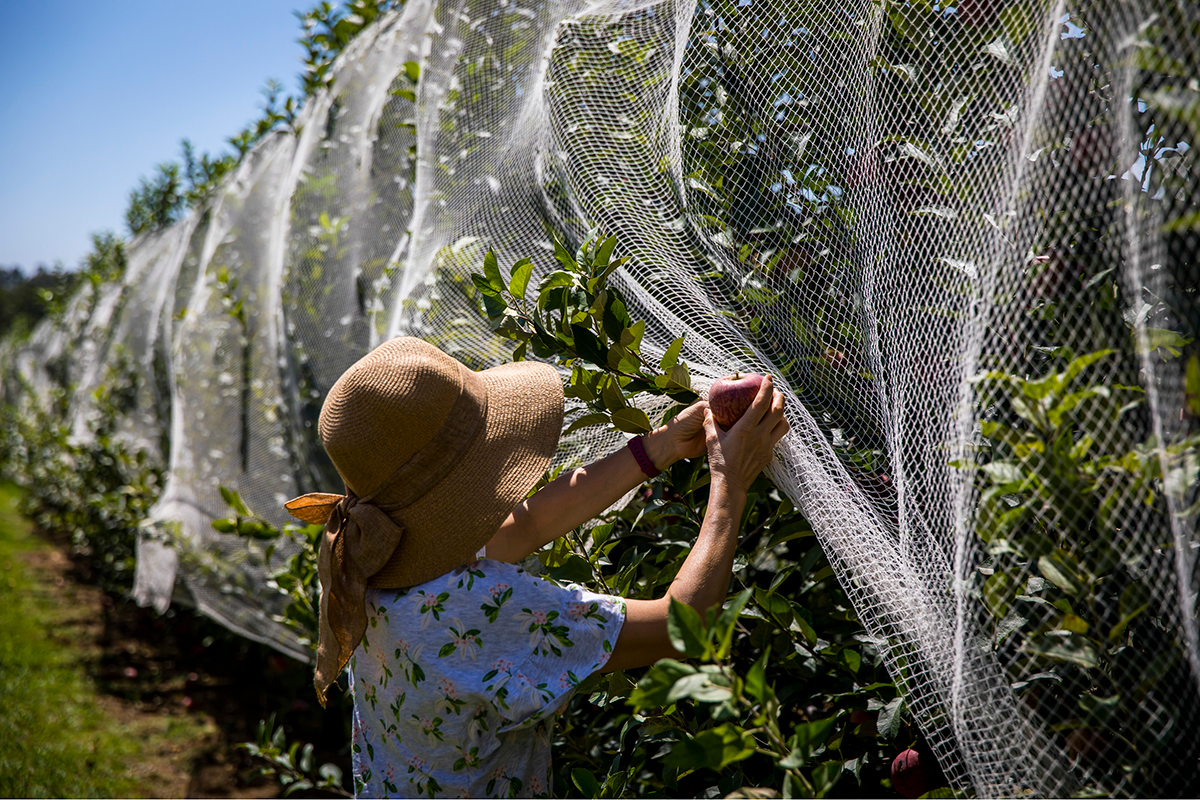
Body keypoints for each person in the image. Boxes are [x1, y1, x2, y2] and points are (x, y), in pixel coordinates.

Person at [284, 337, 788, 798]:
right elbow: (686, 624)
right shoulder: (473, 607)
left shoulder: (366, 558)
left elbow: (520, 529)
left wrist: (656, 448)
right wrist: (730, 482)